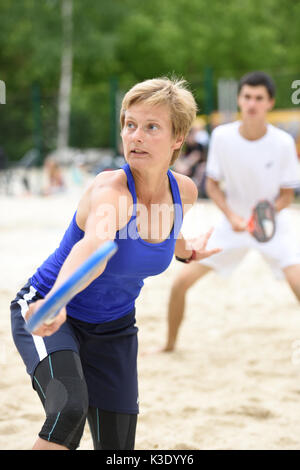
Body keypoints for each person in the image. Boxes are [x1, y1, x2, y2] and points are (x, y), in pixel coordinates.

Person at [10, 77, 221, 451]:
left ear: (178, 138)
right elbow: (94, 249)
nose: (135, 136)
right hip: (52, 310)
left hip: (115, 328)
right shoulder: (111, 191)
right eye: (130, 124)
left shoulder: (183, 191)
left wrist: (186, 251)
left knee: (118, 447)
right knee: (67, 412)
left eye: (151, 127)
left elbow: (167, 231)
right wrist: (56, 300)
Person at [162, 71, 300, 353]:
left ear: (270, 103)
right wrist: (232, 216)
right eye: (247, 96)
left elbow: (286, 196)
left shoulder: (283, 142)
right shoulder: (223, 137)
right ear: (239, 99)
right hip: (230, 224)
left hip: (271, 225)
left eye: (259, 98)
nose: (252, 103)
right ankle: (169, 346)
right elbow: (212, 186)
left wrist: (264, 216)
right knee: (180, 283)